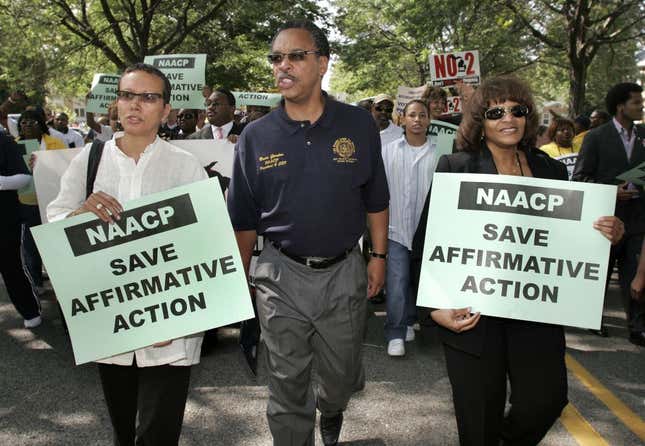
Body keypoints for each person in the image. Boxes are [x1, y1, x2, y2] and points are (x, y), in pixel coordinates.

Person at [412, 76, 624, 446]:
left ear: (528, 116)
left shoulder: (551, 170)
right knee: (478, 423)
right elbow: (427, 242)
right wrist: (433, 309)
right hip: (472, 315)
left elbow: (567, 242)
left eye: (517, 110)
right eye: (496, 112)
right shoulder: (457, 166)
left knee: (546, 400)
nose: (508, 118)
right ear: (481, 120)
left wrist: (605, 232)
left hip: (534, 315)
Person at [227, 20, 389, 446]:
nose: (284, 66)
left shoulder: (358, 125)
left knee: (339, 379)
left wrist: (378, 256)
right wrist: (236, 281)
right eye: (276, 58)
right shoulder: (255, 137)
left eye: (296, 56)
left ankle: (332, 408)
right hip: (279, 275)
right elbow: (242, 219)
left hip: (344, 272)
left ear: (322, 63)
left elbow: (376, 199)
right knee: (286, 382)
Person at [47, 63, 208, 446]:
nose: (135, 105)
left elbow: (204, 245)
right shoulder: (89, 159)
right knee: (123, 431)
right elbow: (55, 221)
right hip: (112, 322)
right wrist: (78, 215)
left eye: (149, 97)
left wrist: (179, 316)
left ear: (166, 109)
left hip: (171, 326)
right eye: (127, 95)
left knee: (158, 434)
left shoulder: (185, 166)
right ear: (116, 103)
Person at [573, 82, 645, 346]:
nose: (641, 106)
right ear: (620, 106)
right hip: (604, 221)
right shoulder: (596, 137)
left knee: (636, 272)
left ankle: (637, 326)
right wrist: (612, 192)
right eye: (636, 102)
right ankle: (592, 318)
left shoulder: (644, 135)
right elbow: (580, 179)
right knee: (600, 275)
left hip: (638, 219)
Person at [382, 99, 436, 357]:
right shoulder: (389, 151)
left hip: (428, 230)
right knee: (397, 281)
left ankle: (409, 318)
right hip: (396, 229)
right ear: (402, 119)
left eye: (422, 115)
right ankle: (395, 332)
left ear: (429, 119)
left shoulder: (439, 152)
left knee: (419, 279)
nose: (417, 120)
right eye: (412, 115)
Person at [16, 109, 66, 295]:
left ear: (41, 124)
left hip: (53, 200)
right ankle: (36, 280)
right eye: (23, 122)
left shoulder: (55, 143)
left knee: (55, 241)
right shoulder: (16, 145)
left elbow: (66, 168)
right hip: (28, 202)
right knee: (30, 243)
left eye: (31, 122)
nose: (27, 125)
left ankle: (60, 277)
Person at [0, 130, 42, 328]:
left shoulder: (4, 141)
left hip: (5, 220)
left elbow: (24, 178)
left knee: (12, 268)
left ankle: (30, 311)